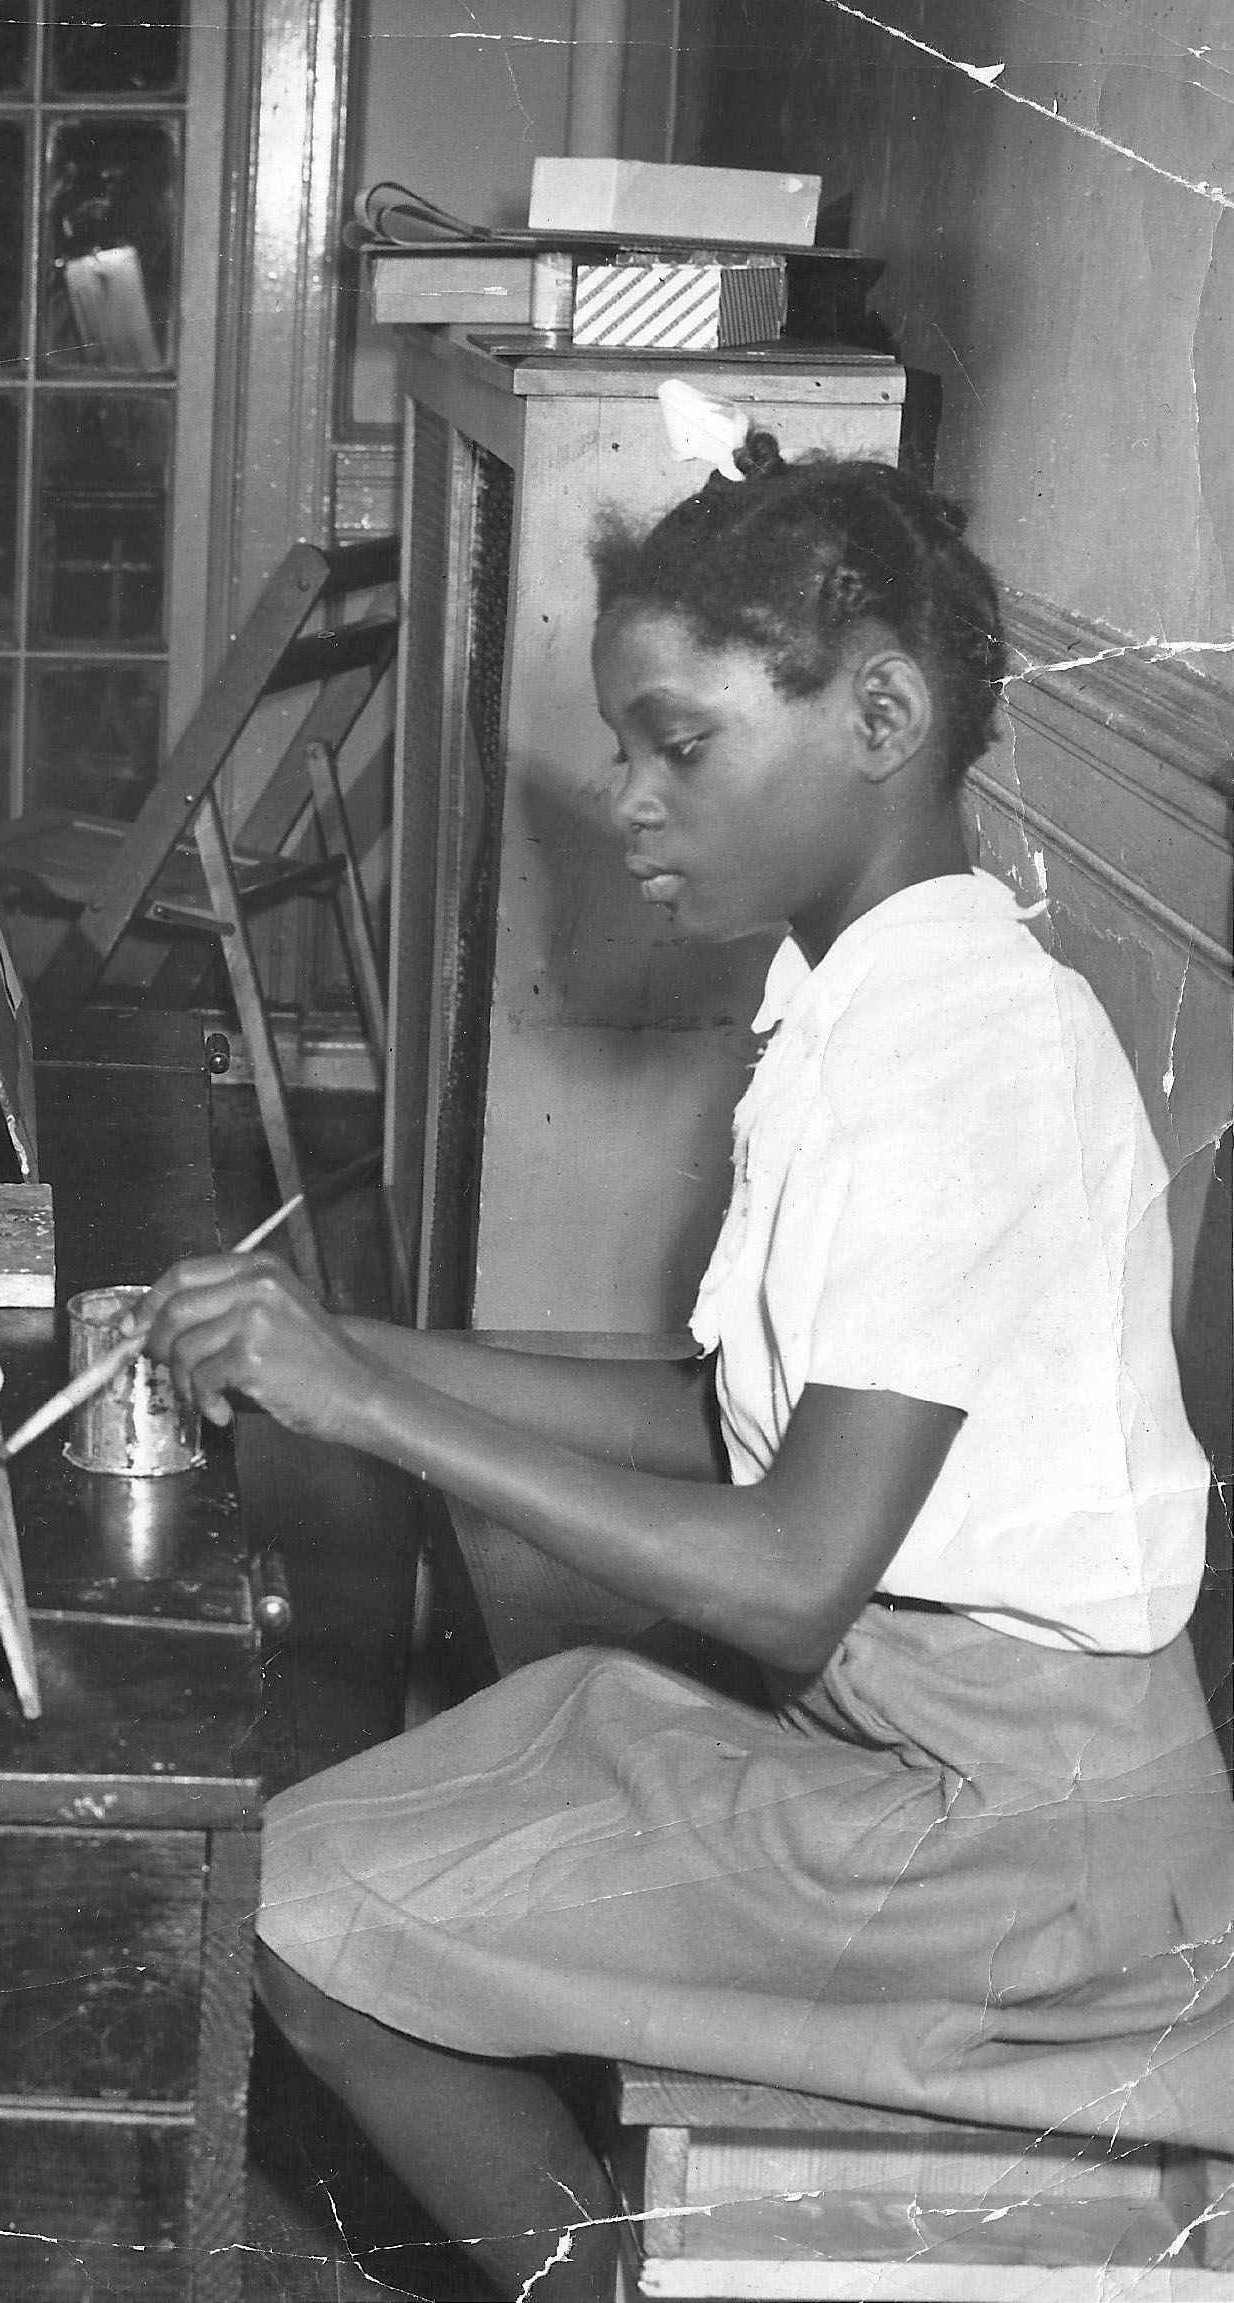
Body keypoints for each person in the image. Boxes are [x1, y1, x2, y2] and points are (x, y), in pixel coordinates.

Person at [140, 444, 1234, 2299]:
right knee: (351, 1838)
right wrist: (335, 1348)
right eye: (623, 749)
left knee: (306, 1922)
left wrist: (374, 1406)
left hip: (1020, 1851)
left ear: (880, 711)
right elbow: (722, 1419)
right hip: (897, 1749)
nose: (631, 801)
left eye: (680, 746)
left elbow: (793, 1568)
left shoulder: (962, 1059)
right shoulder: (863, 1007)